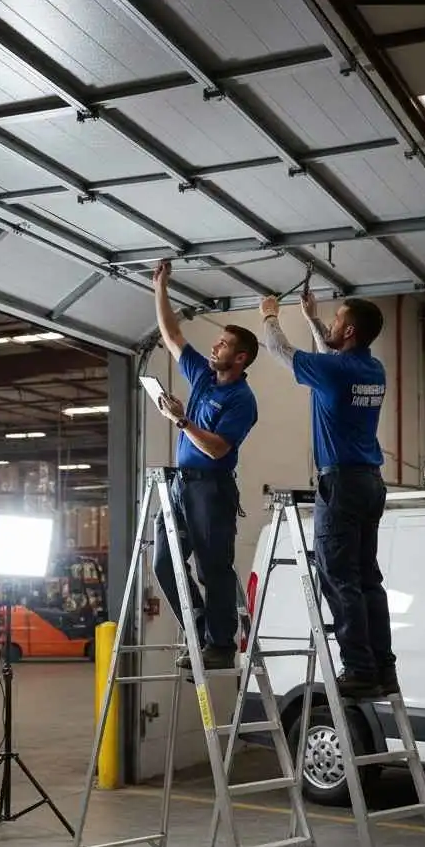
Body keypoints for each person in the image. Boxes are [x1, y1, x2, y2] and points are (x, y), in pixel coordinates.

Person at [259, 290, 398, 700]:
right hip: (370, 482)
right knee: (367, 578)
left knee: (339, 579)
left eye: (338, 321)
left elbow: (279, 350)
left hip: (340, 484)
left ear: (350, 330)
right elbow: (334, 355)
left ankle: (358, 668)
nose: (332, 326)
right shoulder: (373, 369)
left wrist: (270, 316)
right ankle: (383, 667)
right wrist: (315, 320)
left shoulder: (336, 372)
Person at [151, 259, 259, 671]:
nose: (215, 347)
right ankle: (198, 630)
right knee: (165, 563)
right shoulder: (202, 376)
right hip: (180, 485)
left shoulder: (241, 401)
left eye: (224, 344)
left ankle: (220, 644)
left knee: (213, 567)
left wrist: (181, 420)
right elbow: (172, 334)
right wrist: (161, 288)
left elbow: (217, 449)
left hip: (210, 489)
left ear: (241, 357)